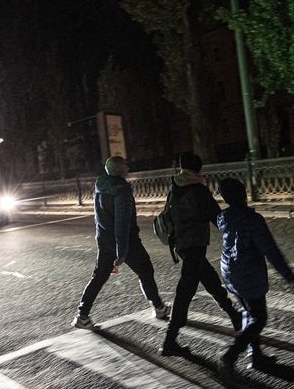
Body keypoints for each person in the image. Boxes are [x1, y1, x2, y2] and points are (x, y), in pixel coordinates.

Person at [160, 152, 244, 357]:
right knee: (185, 292)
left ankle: (234, 316)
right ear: (198, 169)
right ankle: (170, 340)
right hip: (194, 244)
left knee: (210, 280)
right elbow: (219, 218)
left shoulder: (175, 186)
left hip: (181, 244)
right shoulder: (197, 190)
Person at [72, 155, 170, 329]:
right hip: (127, 241)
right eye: (126, 165)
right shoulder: (122, 190)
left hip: (105, 240)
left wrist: (104, 240)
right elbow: (122, 223)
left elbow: (99, 218)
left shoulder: (100, 186)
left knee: (99, 277)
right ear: (118, 169)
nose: (128, 168)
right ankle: (159, 307)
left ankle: (82, 315)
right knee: (146, 270)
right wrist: (122, 252)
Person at [216, 178, 294, 372]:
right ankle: (231, 354)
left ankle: (256, 355)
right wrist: (288, 276)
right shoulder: (252, 220)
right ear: (244, 194)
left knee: (249, 313)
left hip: (230, 272)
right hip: (248, 273)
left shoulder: (224, 217)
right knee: (259, 318)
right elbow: (270, 250)